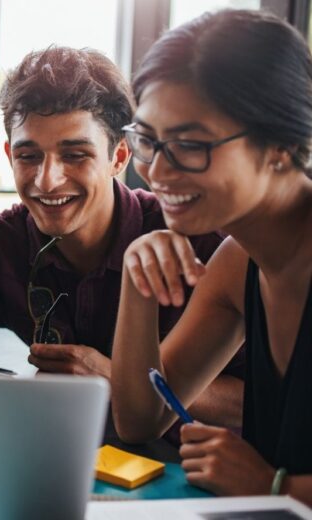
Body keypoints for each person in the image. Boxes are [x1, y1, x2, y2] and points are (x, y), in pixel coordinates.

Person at [0, 47, 242, 431]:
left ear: (119, 156)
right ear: (9, 155)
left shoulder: (199, 241)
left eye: (75, 155)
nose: (47, 180)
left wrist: (114, 378)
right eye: (28, 157)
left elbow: (257, 404)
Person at [111, 9, 312, 503]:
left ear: (281, 145)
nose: (156, 171)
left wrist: (273, 487)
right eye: (147, 141)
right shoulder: (237, 263)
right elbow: (139, 420)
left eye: (187, 144)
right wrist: (137, 283)